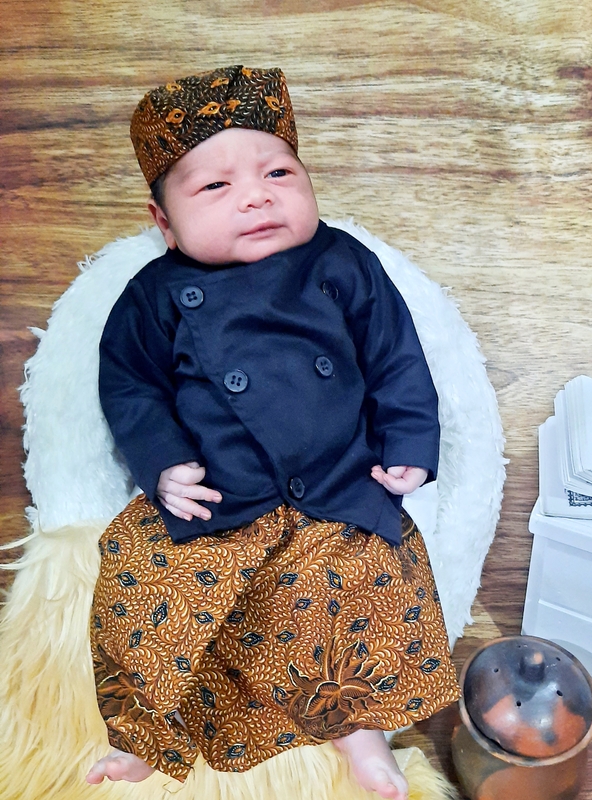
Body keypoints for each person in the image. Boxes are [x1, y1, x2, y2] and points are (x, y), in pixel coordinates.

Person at [85, 66, 459, 800]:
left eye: (278, 172)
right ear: (163, 222)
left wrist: (410, 446)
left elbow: (395, 357)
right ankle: (146, 729)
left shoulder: (341, 262)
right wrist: (162, 464)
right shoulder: (153, 296)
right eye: (214, 186)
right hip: (220, 500)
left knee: (362, 597)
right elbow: (129, 385)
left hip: (337, 487)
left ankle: (361, 733)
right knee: (137, 586)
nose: (256, 195)